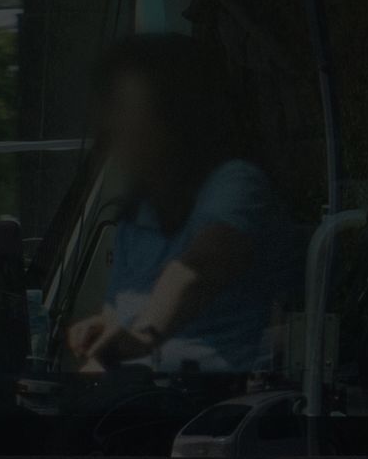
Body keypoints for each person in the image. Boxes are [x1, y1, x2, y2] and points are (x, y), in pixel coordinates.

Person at [46, 36, 285, 390]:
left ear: (175, 116)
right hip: (139, 403)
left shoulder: (235, 183)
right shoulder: (139, 211)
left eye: (128, 109)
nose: (114, 127)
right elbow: (119, 318)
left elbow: (199, 269)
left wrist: (140, 336)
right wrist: (101, 335)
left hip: (219, 406)